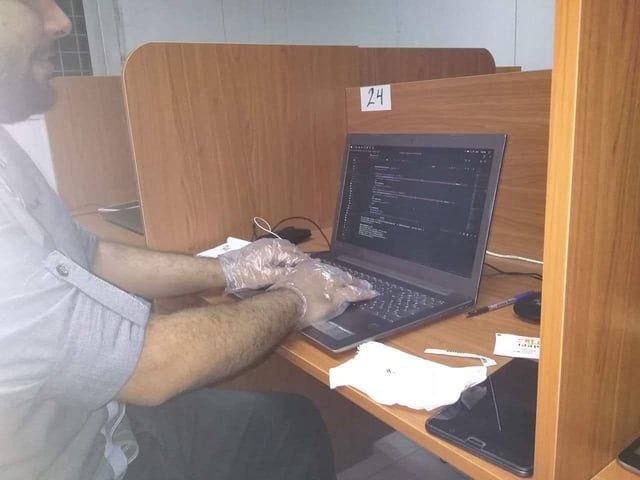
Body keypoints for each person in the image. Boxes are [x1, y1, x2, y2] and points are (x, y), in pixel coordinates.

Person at [0, 1, 376, 479]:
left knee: (288, 421)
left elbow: (88, 254)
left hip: (101, 426)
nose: (61, 21)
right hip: (79, 466)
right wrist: (296, 299)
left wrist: (230, 269)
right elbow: (149, 368)